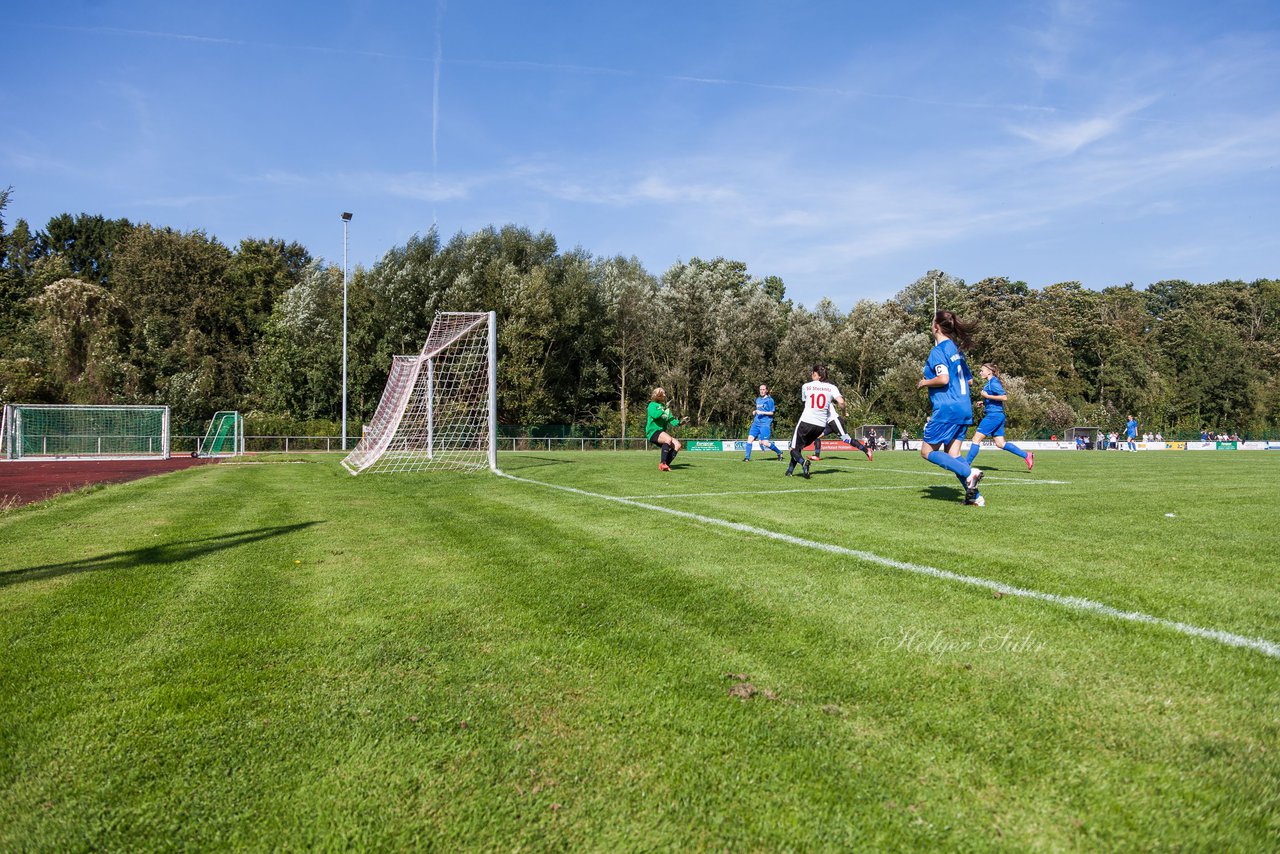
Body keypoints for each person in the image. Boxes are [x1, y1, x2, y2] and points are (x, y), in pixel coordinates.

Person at [916, 310, 985, 506]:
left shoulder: (938, 351)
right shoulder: (957, 352)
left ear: (936, 327)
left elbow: (943, 378)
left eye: (932, 322)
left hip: (948, 408)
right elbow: (970, 381)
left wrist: (925, 382)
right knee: (953, 455)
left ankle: (970, 472)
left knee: (927, 452)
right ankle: (975, 497)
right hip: (964, 407)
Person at [786, 364, 854, 478]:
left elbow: (805, 401)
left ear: (815, 374)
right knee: (799, 447)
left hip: (806, 421)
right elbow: (841, 402)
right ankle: (789, 471)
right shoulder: (831, 387)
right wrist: (843, 413)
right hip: (820, 425)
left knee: (793, 448)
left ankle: (804, 463)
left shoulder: (806, 386)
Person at [965, 363, 1034, 471]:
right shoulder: (989, 383)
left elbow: (1004, 397)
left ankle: (965, 464)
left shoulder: (993, 382)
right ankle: (1026, 455)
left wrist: (987, 396)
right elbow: (995, 399)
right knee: (1000, 443)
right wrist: (984, 402)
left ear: (989, 371)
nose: (980, 372)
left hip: (994, 416)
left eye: (982, 370)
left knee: (976, 439)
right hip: (997, 415)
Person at [743, 384, 784, 461]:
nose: (762, 391)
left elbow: (772, 413)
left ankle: (779, 452)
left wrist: (761, 412)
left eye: (763, 389)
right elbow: (758, 410)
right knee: (749, 439)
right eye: (760, 389)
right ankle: (747, 458)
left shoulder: (770, 400)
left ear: (766, 390)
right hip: (756, 423)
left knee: (764, 443)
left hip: (764, 424)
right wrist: (755, 411)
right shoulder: (758, 399)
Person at [646, 387, 681, 472]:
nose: (665, 395)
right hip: (653, 432)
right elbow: (655, 415)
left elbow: (672, 420)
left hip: (661, 432)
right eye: (663, 393)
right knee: (668, 439)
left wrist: (680, 422)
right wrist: (664, 409)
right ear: (658, 395)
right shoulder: (652, 405)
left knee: (677, 445)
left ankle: (665, 466)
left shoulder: (665, 408)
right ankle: (663, 463)